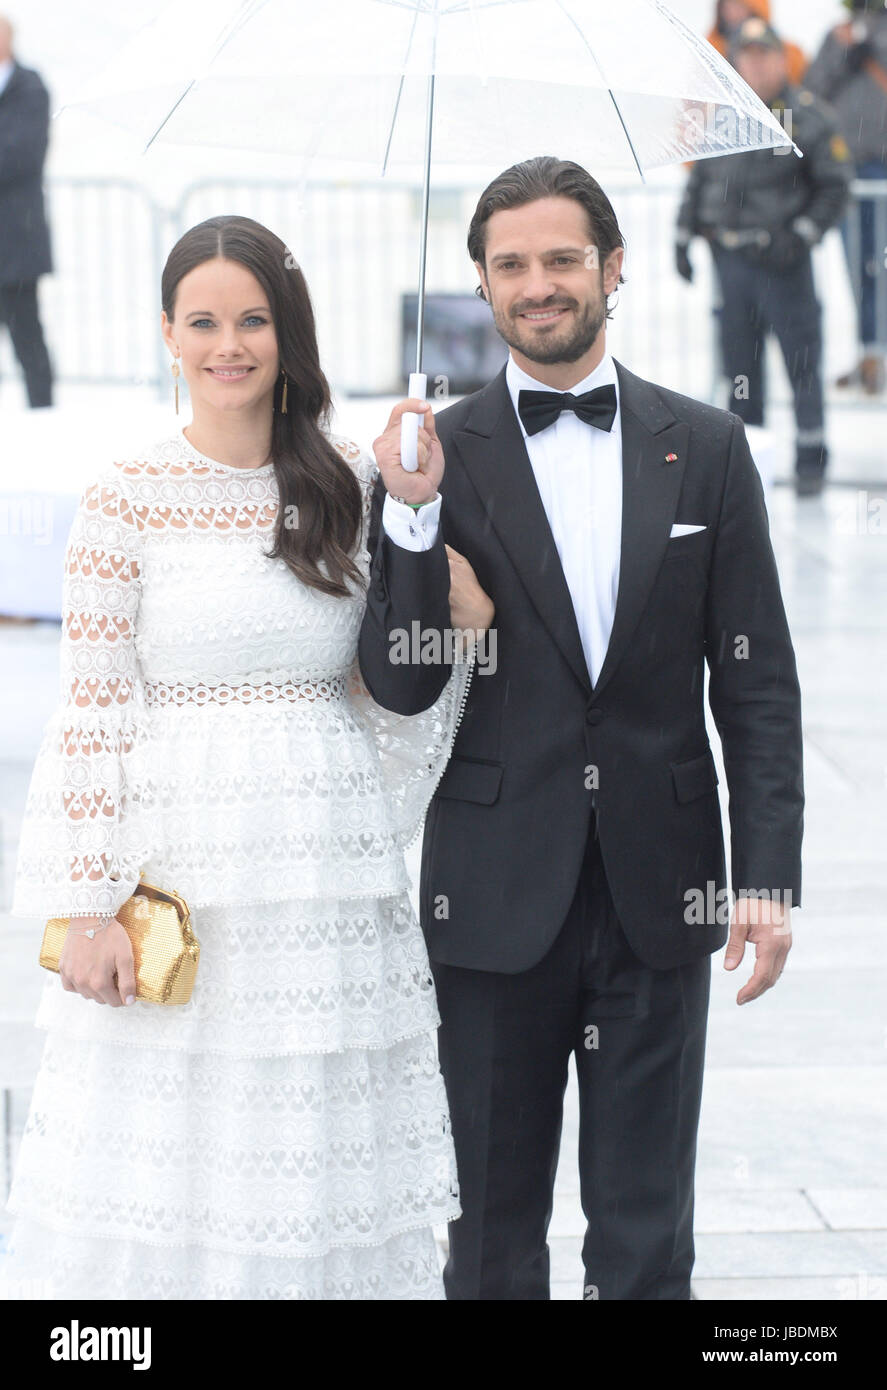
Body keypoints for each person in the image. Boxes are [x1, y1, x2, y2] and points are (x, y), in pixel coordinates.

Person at [2, 214, 494, 1301]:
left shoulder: (345, 482)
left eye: (254, 319)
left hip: (318, 875)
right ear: (167, 334)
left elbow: (388, 683)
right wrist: (88, 903)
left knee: (307, 1145)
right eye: (205, 321)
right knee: (173, 1139)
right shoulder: (124, 496)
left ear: (288, 331)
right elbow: (91, 712)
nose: (230, 343)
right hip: (176, 867)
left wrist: (444, 595)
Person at [358, 155, 805, 1301]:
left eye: (561, 259)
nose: (537, 283)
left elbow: (754, 683)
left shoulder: (704, 445)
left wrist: (765, 876)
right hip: (492, 897)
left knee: (646, 1237)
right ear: (481, 285)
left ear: (614, 269)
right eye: (510, 264)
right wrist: (407, 524)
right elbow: (399, 686)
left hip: (663, 898)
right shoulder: (429, 457)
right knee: (491, 1238)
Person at [676, 18, 852, 497]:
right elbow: (700, 181)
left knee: (801, 368)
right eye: (745, 55)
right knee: (739, 374)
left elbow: (836, 188)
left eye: (762, 53)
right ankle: (747, 468)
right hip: (731, 268)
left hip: (784, 267)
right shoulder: (724, 117)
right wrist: (682, 233)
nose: (754, 63)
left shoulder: (807, 116)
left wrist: (802, 233)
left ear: (780, 58)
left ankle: (810, 463)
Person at [805, 0, 887, 394]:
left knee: (882, 270)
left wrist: (875, 46)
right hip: (845, 171)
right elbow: (810, 91)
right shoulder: (836, 36)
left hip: (883, 171)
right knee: (858, 270)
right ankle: (870, 355)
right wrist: (844, 54)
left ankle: (878, 353)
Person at [0, 14, 54, 408]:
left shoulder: (29, 86)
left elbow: (19, 157)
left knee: (27, 338)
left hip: (15, 243)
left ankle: (44, 415)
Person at [706, 0, 807, 85]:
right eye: (727, 5)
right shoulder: (710, 53)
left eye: (740, 5)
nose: (732, 12)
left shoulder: (791, 56)